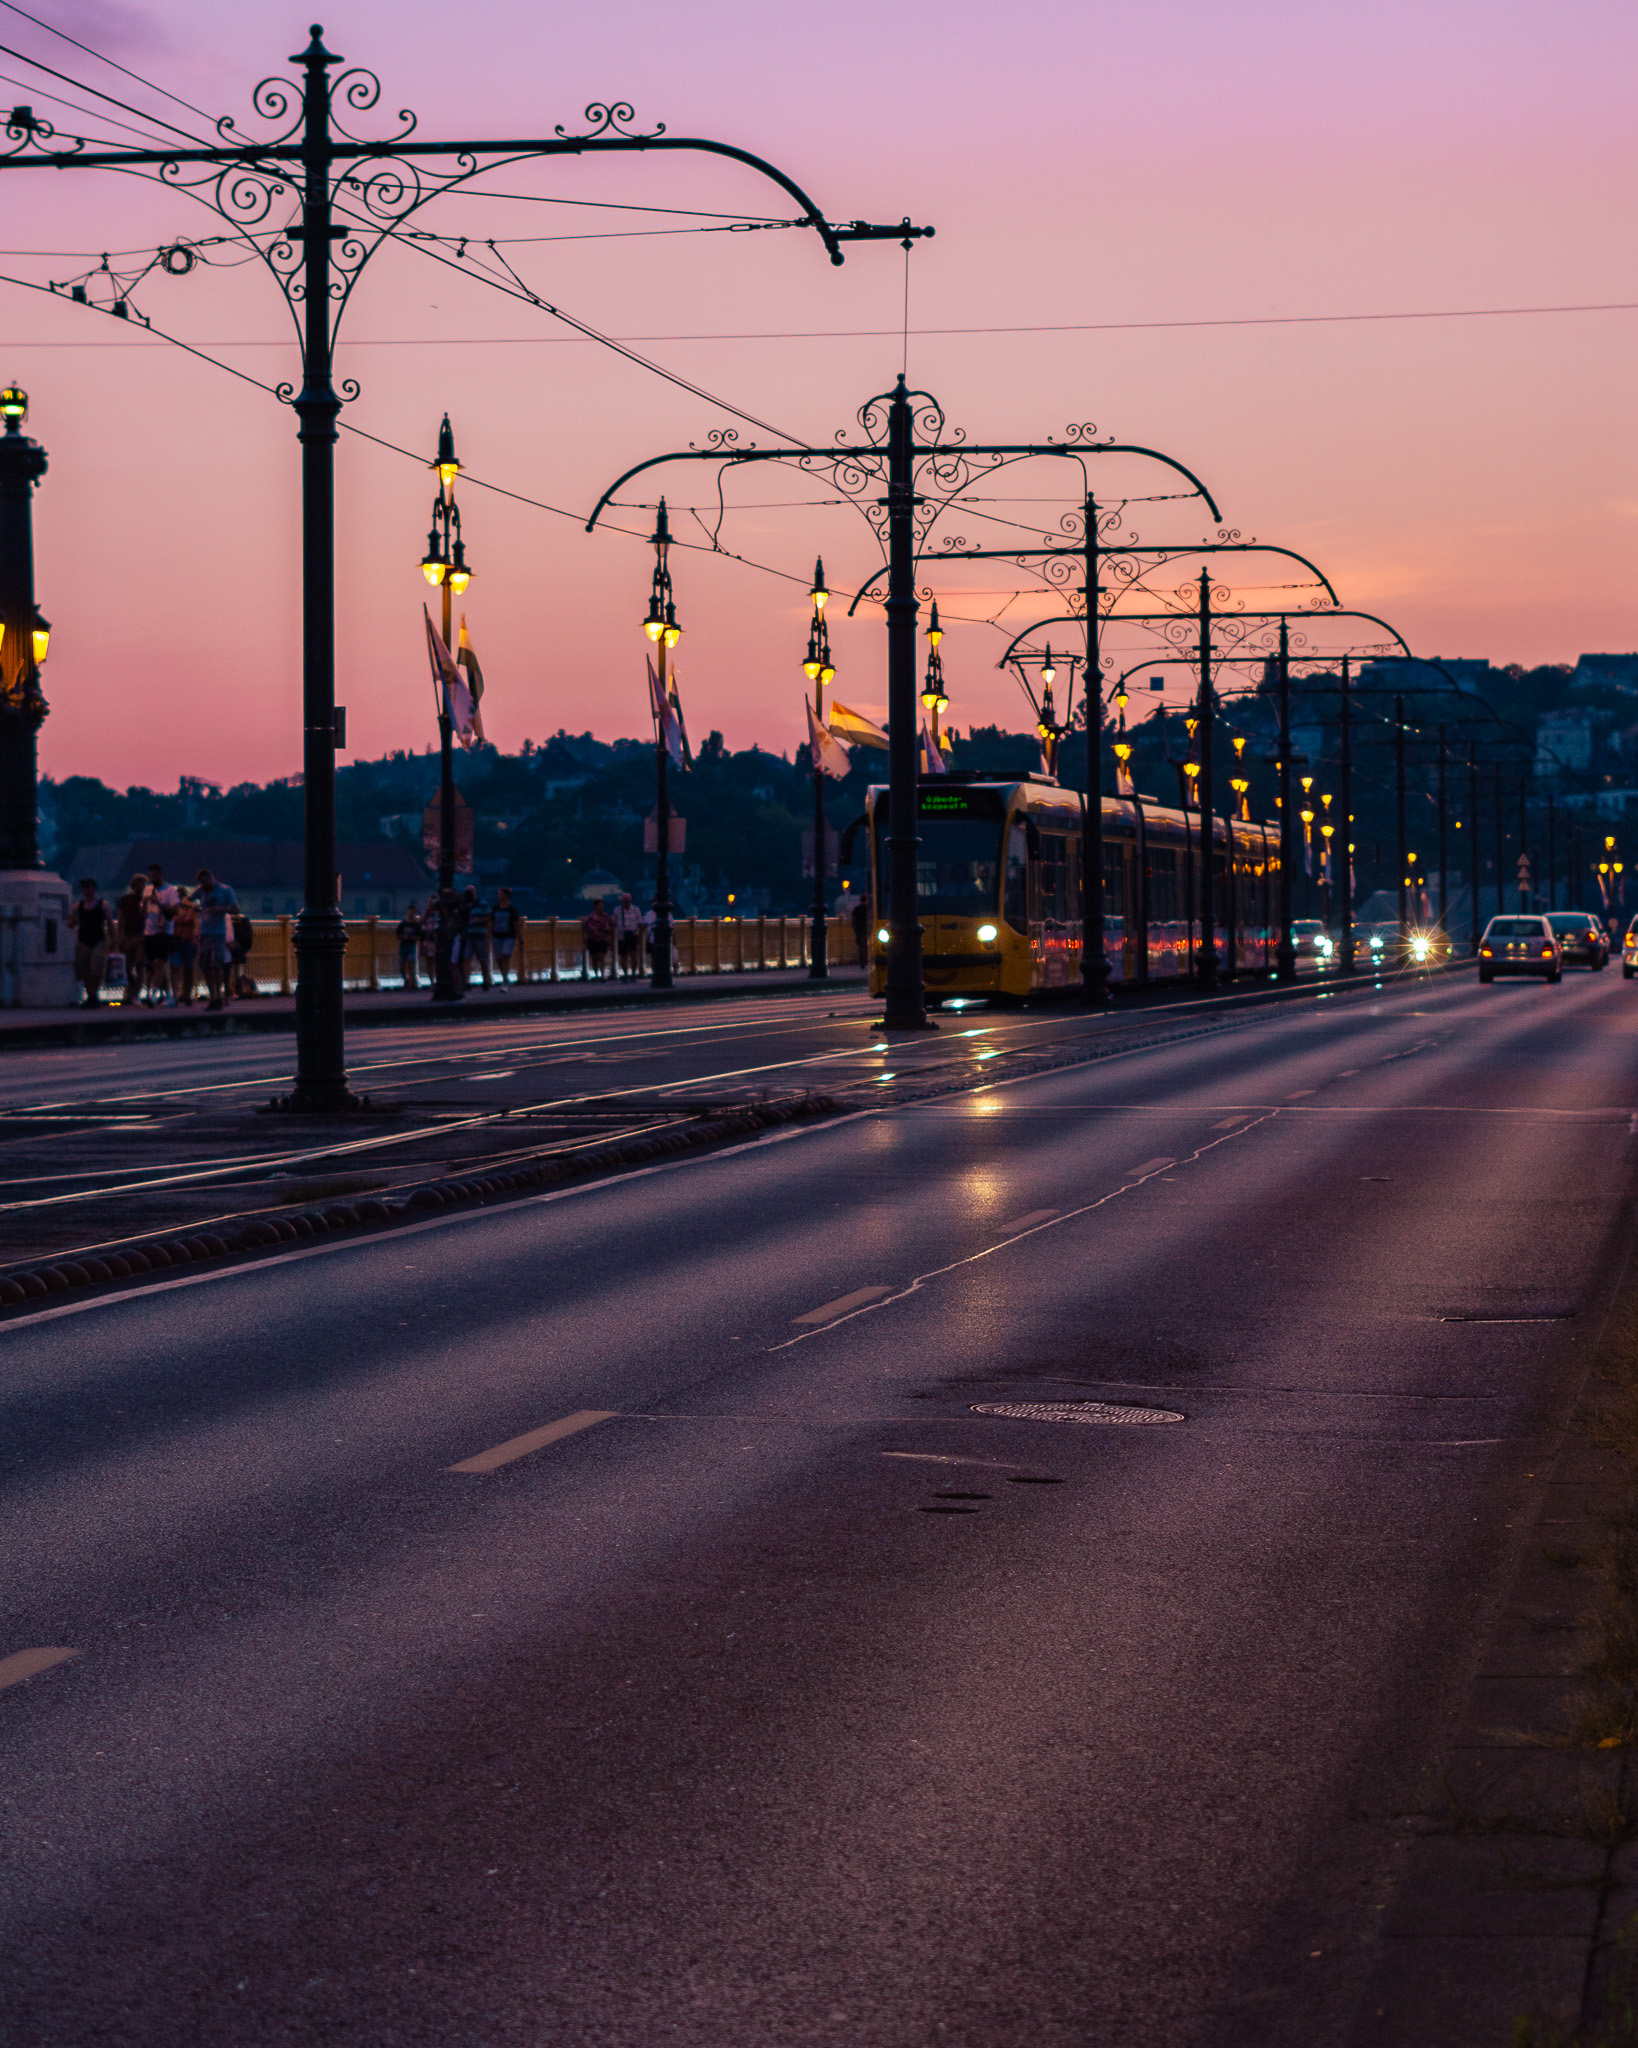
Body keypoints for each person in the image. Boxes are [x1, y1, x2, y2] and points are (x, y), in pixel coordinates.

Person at [194, 867, 238, 1011]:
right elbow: (186, 900)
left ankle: (218, 995)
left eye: (205, 882)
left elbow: (236, 909)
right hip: (204, 933)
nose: (204, 886)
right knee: (205, 966)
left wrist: (221, 909)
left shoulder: (225, 890)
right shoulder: (201, 890)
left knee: (216, 966)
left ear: (211, 877)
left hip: (218, 934)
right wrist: (195, 907)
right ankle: (213, 996)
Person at [67, 877, 110, 1006]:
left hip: (98, 940)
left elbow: (110, 924)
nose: (86, 891)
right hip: (83, 940)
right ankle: (91, 995)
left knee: (95, 970)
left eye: (88, 887)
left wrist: (113, 940)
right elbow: (71, 922)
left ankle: (93, 995)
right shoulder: (78, 906)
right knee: (85, 970)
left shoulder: (103, 904)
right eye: (84, 888)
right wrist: (72, 920)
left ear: (94, 889)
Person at [142, 863, 179, 1006]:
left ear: (161, 874)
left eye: (155, 875)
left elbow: (175, 911)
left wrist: (159, 903)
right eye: (150, 875)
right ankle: (169, 995)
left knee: (160, 962)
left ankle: (153, 993)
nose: (152, 877)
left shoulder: (170, 890)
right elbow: (142, 913)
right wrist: (145, 905)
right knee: (155, 966)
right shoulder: (147, 890)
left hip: (164, 931)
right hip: (149, 930)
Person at [115, 873, 147, 1002]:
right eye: (139, 885)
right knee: (127, 967)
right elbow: (121, 918)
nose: (141, 887)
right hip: (128, 935)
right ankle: (132, 989)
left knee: (140, 965)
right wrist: (119, 936)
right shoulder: (125, 900)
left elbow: (145, 916)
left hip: (142, 936)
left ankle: (135, 993)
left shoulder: (146, 900)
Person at [171, 886, 200, 1005]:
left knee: (188, 968)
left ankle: (186, 993)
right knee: (175, 967)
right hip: (176, 941)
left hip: (188, 940)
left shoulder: (193, 909)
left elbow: (197, 924)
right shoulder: (175, 909)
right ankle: (175, 994)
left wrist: (195, 937)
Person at [461, 885, 493, 990]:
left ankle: (486, 980)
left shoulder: (482, 903)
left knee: (482, 959)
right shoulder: (464, 904)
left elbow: (489, 915)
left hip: (479, 934)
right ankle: (466, 982)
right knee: (466, 959)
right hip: (468, 934)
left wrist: (480, 921)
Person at [491, 887, 520, 985]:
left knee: (505, 956)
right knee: (498, 958)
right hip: (497, 936)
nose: (498, 896)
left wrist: (520, 938)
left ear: (506, 896)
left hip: (509, 936)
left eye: (501, 894)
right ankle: (505, 977)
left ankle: (504, 980)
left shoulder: (512, 910)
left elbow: (516, 924)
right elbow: (491, 922)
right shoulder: (495, 908)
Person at [614, 891, 644, 977]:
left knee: (633, 954)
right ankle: (625, 973)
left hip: (633, 935)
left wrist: (638, 935)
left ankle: (634, 972)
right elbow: (614, 922)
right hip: (622, 935)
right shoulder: (617, 910)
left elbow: (640, 924)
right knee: (623, 956)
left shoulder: (635, 910)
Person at [230, 907, 257, 997]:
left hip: (233, 952)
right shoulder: (244, 923)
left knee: (232, 972)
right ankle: (240, 989)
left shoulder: (233, 924)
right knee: (238, 972)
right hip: (241, 952)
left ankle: (236, 989)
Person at [396, 902, 423, 990]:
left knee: (411, 964)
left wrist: (412, 938)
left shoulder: (416, 925)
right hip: (403, 946)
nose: (411, 913)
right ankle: (407, 980)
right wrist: (403, 937)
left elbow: (419, 936)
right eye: (410, 911)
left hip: (411, 946)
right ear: (408, 911)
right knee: (402, 966)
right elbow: (397, 935)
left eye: (413, 911)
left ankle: (411, 983)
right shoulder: (403, 924)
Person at [584, 900, 613, 980]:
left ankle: (603, 974)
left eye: (602, 905)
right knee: (594, 958)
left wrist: (608, 937)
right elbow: (587, 927)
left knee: (601, 956)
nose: (601, 907)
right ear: (595, 906)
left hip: (603, 939)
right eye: (599, 905)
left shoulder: (606, 916)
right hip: (593, 939)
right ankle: (596, 974)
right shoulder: (590, 917)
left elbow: (610, 927)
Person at [852, 892, 870, 967]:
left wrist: (855, 930)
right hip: (868, 929)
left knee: (861, 947)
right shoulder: (868, 908)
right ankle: (868, 960)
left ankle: (862, 963)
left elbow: (853, 920)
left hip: (859, 930)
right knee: (868, 946)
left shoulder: (856, 909)